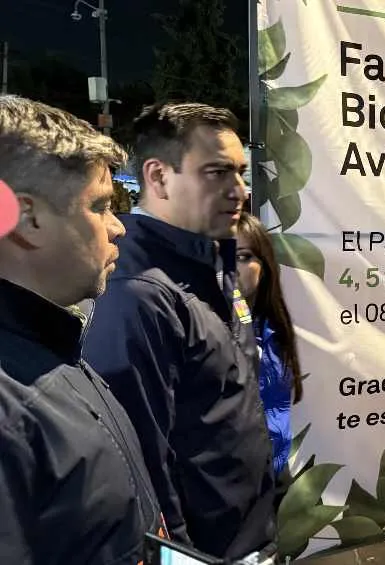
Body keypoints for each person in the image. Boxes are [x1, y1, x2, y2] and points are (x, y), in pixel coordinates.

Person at [82, 102, 276, 559]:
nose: (240, 191)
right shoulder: (137, 293)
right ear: (159, 177)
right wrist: (184, 556)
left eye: (241, 173)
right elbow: (142, 460)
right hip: (208, 552)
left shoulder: (212, 261)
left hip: (248, 536)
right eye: (217, 172)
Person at [0, 95, 164, 564]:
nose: (119, 228)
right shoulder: (14, 403)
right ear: (27, 218)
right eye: (100, 206)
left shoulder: (51, 344)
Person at [235, 212, 304, 490]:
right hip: (230, 486)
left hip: (275, 474)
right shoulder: (203, 328)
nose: (230, 266)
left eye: (242, 256)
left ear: (263, 265)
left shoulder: (275, 326)